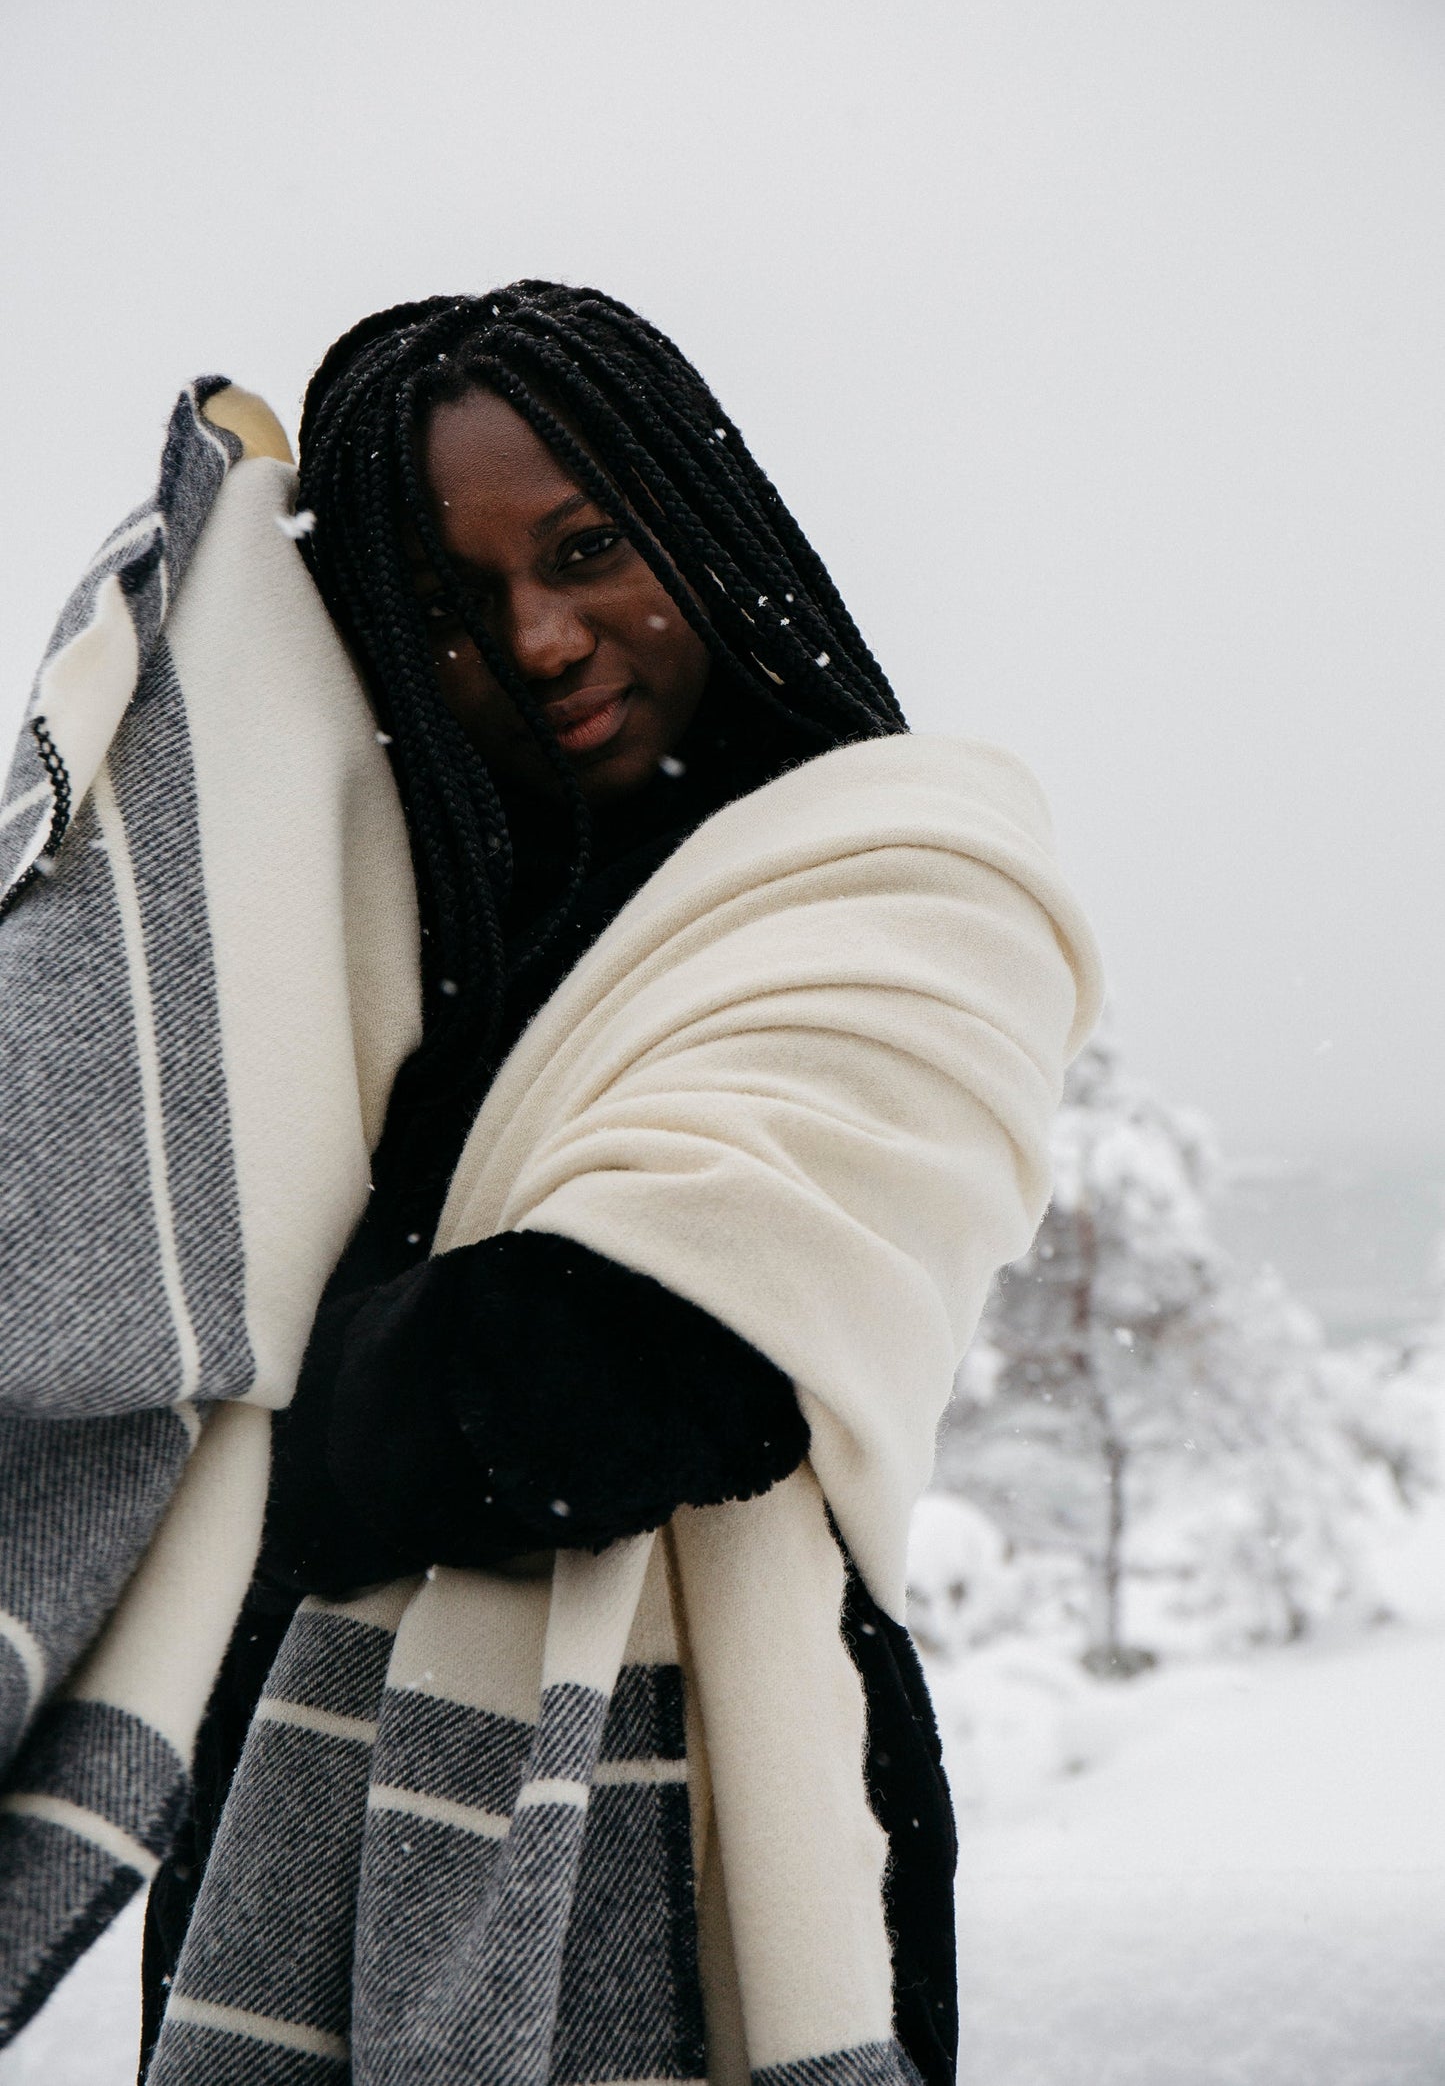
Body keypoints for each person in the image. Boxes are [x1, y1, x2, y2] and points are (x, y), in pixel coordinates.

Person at [119, 283, 1098, 2084]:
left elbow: (625, 1385)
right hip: (296, 1818)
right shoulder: (391, 945)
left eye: (585, 548)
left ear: (702, 527)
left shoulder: (897, 885)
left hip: (731, 1817)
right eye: (455, 607)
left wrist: (290, 1445)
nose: (543, 637)